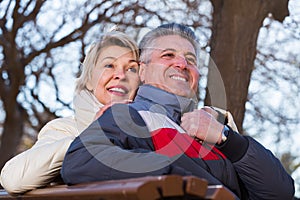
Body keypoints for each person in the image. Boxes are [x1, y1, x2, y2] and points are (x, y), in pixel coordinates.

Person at [61, 23, 295, 199]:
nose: (182, 64)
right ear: (142, 71)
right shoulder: (129, 116)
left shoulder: (214, 129)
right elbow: (81, 161)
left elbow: (280, 192)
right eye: (168, 55)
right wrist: (188, 181)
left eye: (190, 59)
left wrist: (226, 138)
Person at [0, 31, 141, 194]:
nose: (121, 75)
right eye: (109, 65)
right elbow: (13, 179)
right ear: (89, 80)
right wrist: (88, 139)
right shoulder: (65, 129)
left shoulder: (153, 129)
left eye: (132, 68)